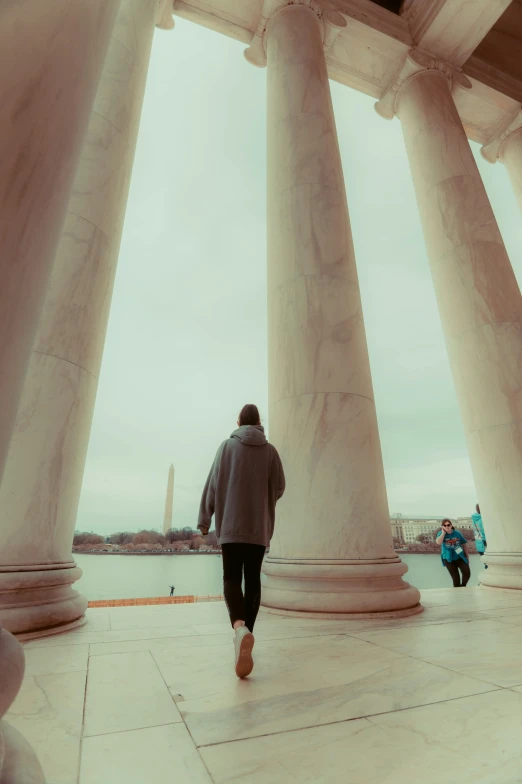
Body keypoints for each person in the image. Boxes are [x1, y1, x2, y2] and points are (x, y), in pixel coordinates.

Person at [198, 404, 285, 678]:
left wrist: (204, 520)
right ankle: (247, 636)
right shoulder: (270, 452)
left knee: (231, 579)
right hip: (258, 529)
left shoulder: (226, 447)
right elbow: (280, 486)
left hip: (231, 527)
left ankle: (239, 629)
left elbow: (212, 484)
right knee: (253, 580)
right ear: (259, 423)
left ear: (238, 421)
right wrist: (263, 501)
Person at [436, 519, 471, 587]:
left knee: (467, 573)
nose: (447, 527)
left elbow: (464, 544)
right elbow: (438, 542)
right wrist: (443, 533)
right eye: (445, 525)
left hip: (460, 557)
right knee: (456, 579)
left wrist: (467, 556)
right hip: (448, 559)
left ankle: (463, 586)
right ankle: (458, 594)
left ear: (451, 525)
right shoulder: (440, 534)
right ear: (442, 526)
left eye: (448, 525)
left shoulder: (457, 533)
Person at [471, 503, 487, 568]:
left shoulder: (474, 520)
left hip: (479, 546)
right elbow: (485, 533)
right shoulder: (483, 520)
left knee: (487, 564)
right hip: (485, 545)